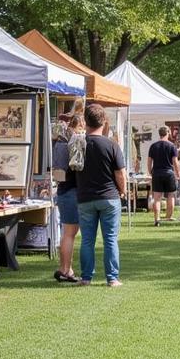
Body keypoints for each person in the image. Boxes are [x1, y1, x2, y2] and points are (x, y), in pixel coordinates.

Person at [75, 103, 126, 287]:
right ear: (104, 122)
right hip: (109, 196)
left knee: (87, 240)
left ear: (85, 121)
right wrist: (123, 191)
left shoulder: (79, 145)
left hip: (85, 197)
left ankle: (86, 277)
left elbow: (71, 170)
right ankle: (112, 278)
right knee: (110, 239)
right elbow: (120, 173)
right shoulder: (111, 145)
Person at [51, 113, 83, 283]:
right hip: (72, 189)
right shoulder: (74, 141)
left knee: (66, 233)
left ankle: (65, 268)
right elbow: (78, 166)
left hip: (62, 189)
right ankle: (65, 269)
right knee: (70, 233)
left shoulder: (58, 142)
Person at [146, 125, 179, 226]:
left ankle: (157, 219)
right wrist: (178, 173)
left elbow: (149, 161)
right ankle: (168, 217)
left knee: (157, 198)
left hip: (157, 172)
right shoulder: (172, 146)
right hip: (169, 173)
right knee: (171, 195)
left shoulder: (153, 146)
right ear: (168, 133)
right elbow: (175, 162)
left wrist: (150, 172)